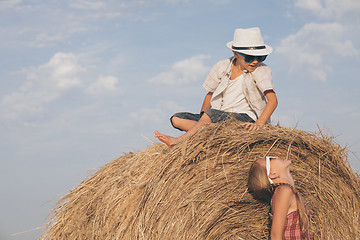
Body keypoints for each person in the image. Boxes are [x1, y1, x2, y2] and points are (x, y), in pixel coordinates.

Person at [155, 27, 278, 148]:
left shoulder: (261, 70)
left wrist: (259, 124)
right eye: (250, 57)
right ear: (235, 53)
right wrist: (202, 119)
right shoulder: (222, 67)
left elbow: (273, 101)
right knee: (177, 119)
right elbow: (210, 95)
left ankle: (179, 141)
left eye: (261, 57)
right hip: (221, 117)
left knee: (210, 115)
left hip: (246, 118)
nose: (256, 61)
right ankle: (213, 132)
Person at [248, 157, 311, 240]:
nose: (276, 157)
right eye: (270, 159)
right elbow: (275, 236)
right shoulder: (284, 191)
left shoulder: (289, 192)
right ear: (273, 174)